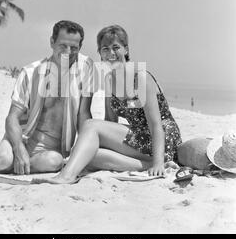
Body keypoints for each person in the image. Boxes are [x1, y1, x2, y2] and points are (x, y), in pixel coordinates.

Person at [46, 25, 182, 184]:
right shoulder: (109, 80)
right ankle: (147, 165)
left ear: (126, 49)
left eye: (116, 47)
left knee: (90, 126)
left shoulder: (140, 77)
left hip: (162, 140)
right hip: (141, 139)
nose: (111, 53)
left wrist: (159, 162)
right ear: (100, 53)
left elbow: (155, 125)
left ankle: (66, 176)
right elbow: (110, 121)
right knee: (88, 154)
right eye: (105, 49)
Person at [0, 20, 94, 175]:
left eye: (74, 47)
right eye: (63, 46)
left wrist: (83, 150)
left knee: (54, 161)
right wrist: (19, 148)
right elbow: (12, 117)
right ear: (52, 42)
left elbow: (84, 114)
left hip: (50, 152)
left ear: (80, 47)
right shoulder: (30, 72)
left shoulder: (86, 69)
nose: (68, 51)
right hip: (21, 141)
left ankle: (14, 167)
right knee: (0, 160)